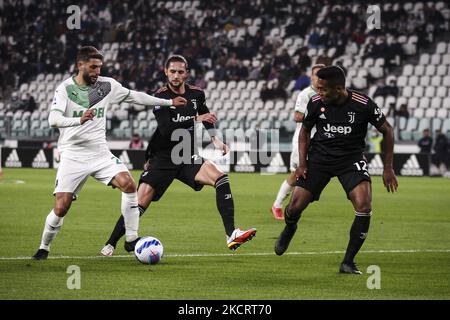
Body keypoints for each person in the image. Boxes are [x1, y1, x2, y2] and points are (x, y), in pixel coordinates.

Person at [31, 46, 187, 260]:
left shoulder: (107, 85)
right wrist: (79, 119)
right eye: (93, 67)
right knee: (61, 207)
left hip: (100, 153)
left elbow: (135, 97)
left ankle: (131, 238)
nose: (97, 71)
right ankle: (44, 247)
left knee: (129, 184)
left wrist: (168, 102)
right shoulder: (65, 89)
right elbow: (53, 120)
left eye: (100, 67)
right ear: (80, 65)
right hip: (73, 154)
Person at [100, 55, 256, 256]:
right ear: (166, 72)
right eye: (172, 71)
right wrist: (196, 118)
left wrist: (215, 139)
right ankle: (112, 243)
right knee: (139, 203)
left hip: (187, 156)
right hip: (163, 158)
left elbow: (206, 115)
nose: (176, 75)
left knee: (221, 178)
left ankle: (231, 234)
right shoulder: (160, 96)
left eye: (180, 72)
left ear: (187, 74)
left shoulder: (197, 94)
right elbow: (166, 129)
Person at [274, 66, 398, 274]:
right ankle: (290, 227)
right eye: (317, 88)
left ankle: (348, 262)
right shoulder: (315, 103)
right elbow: (304, 131)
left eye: (323, 89)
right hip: (319, 158)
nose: (318, 92)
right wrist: (303, 164)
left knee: (364, 206)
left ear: (339, 88)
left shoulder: (363, 104)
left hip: (351, 159)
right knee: (295, 206)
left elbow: (387, 130)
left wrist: (388, 168)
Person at [271, 64, 325, 220]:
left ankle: (295, 205)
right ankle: (277, 205)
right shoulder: (306, 94)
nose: (319, 78)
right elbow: (296, 116)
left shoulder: (327, 95)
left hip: (319, 141)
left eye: (322, 75)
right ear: (311, 77)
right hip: (303, 140)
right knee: (297, 174)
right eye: (316, 75)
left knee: (310, 176)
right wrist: (317, 116)